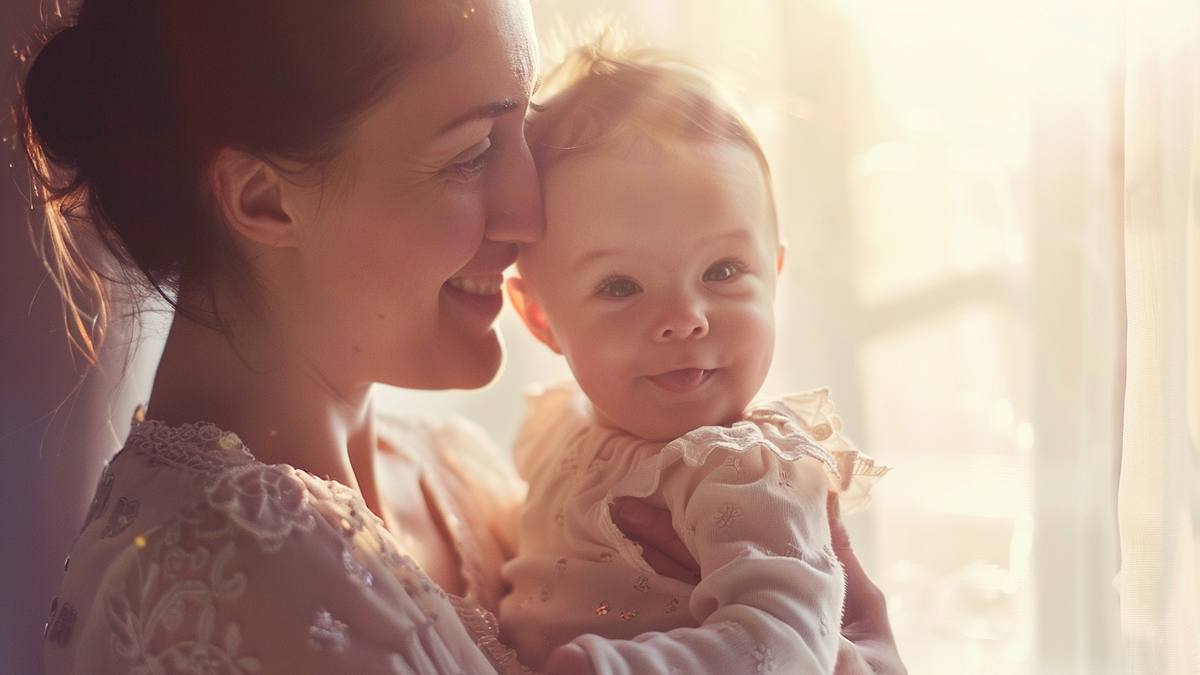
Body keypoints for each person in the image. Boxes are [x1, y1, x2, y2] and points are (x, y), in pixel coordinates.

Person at [17, 0, 904, 672]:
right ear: (263, 199)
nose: (533, 213)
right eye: (474, 152)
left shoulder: (461, 471)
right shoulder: (222, 577)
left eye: (524, 127)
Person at [498, 41, 892, 674]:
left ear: (775, 275)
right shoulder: (556, 430)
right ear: (541, 318)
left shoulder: (745, 471)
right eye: (621, 286)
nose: (686, 318)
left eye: (724, 269)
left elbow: (787, 643)